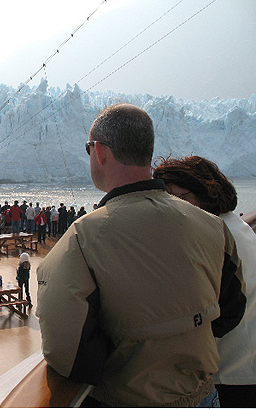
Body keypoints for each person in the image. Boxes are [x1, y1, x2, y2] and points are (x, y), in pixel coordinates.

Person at [36, 103, 246, 407]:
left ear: (100, 152)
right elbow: (231, 310)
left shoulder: (83, 238)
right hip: (204, 397)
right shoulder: (211, 225)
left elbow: (65, 352)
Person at [153, 155, 256, 407]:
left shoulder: (214, 239)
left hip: (229, 375)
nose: (170, 207)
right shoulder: (236, 227)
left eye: (178, 198)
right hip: (245, 366)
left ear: (205, 193)